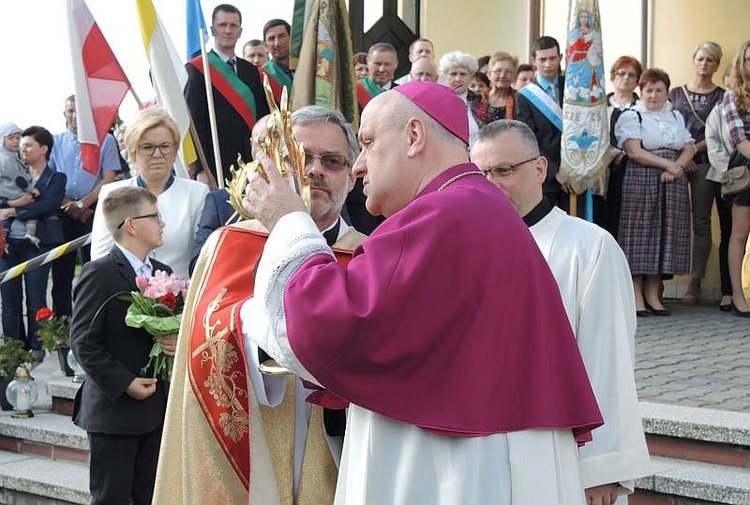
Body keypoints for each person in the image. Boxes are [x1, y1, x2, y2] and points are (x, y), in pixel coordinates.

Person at [241, 80, 603, 503]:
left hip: (454, 468)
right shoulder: (475, 206)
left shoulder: (441, 213)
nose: (358, 166)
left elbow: (327, 326)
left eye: (369, 142)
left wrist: (288, 220)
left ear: (413, 136)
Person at [167, 106, 367, 504]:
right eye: (301, 157)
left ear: (350, 175)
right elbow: (203, 345)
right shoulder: (226, 245)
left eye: (332, 161)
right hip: (249, 441)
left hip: (338, 445)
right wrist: (260, 328)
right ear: (276, 165)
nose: (314, 171)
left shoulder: (369, 253)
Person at [471, 119, 653, 505]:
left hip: (560, 451)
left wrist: (602, 468)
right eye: (480, 174)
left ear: (539, 169)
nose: (490, 184)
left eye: (503, 170)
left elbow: (609, 361)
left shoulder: (588, 247)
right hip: (481, 451)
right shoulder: (466, 248)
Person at [71, 186, 176, 504]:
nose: (163, 223)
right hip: (114, 411)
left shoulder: (165, 274)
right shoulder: (99, 273)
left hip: (155, 409)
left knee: (149, 495)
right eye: (155, 216)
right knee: (111, 497)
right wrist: (125, 382)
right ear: (131, 224)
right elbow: (83, 342)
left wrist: (173, 341)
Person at [90, 108, 208, 280]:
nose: (157, 154)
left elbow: (202, 259)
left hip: (182, 299)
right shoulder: (111, 194)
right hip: (126, 299)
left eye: (165, 146)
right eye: (147, 147)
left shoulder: (197, 193)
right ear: (133, 151)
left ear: (175, 149)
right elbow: (101, 259)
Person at [614, 68, 695, 316]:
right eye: (648, 90)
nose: (653, 95)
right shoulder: (631, 116)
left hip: (672, 181)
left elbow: (689, 146)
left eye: (659, 90)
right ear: (641, 91)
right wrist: (668, 165)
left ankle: (653, 292)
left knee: (664, 236)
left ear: (667, 92)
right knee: (640, 233)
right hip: (642, 177)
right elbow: (635, 152)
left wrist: (677, 167)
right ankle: (636, 293)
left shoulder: (676, 117)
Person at [48, 95, 120, 317]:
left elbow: (108, 177)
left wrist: (84, 203)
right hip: (62, 213)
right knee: (62, 275)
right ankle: (62, 328)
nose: (75, 116)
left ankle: (93, 320)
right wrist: (69, 204)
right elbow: (48, 178)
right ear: (64, 114)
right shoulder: (54, 142)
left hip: (94, 212)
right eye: (70, 111)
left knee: (94, 271)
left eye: (79, 111)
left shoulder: (105, 141)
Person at [0, 126, 65, 364]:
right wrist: (8, 206)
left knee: (37, 299)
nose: (22, 148)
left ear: (44, 149)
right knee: (9, 302)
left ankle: (37, 350)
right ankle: (13, 351)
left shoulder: (57, 178)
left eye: (27, 144)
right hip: (8, 245)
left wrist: (12, 210)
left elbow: (46, 205)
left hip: (39, 244)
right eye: (20, 144)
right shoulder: (10, 171)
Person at [185, 4, 270, 185]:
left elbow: (262, 117)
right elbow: (193, 124)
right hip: (216, 164)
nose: (228, 30)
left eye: (233, 26)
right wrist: (200, 169)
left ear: (240, 31)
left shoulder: (251, 71)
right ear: (212, 30)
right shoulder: (198, 69)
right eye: (223, 25)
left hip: (252, 162)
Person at [668, 42, 725, 306]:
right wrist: (683, 156)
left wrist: (692, 152)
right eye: (700, 58)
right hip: (677, 162)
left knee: (701, 221)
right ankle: (662, 279)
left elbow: (719, 131)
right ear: (693, 61)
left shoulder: (723, 96)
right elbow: (668, 126)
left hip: (705, 163)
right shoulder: (676, 93)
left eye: (710, 60)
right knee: (672, 219)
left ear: (716, 65)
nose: (704, 63)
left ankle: (695, 279)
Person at [516, 36, 570, 210]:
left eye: (552, 58)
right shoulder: (524, 96)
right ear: (533, 61)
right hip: (548, 178)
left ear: (560, 57)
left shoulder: (573, 88)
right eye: (543, 59)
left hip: (578, 175)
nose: (548, 64)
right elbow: (530, 140)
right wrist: (555, 173)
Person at [594, 56, 643, 237]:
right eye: (621, 73)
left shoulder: (643, 107)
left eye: (632, 75)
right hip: (604, 174)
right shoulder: (599, 106)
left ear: (637, 81)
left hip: (635, 171)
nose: (626, 78)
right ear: (613, 77)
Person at [721, 40, 750, 316]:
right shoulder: (733, 96)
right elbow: (738, 138)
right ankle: (739, 298)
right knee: (739, 233)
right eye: (749, 59)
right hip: (745, 168)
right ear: (741, 63)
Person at [705, 66, 735, 311]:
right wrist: (735, 173)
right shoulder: (719, 111)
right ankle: (729, 291)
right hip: (726, 179)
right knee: (730, 234)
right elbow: (713, 145)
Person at [0, 122, 39, 246]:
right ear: (2, 140)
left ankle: (4, 241)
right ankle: (30, 234)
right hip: (14, 194)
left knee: (6, 219)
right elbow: (18, 179)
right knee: (31, 213)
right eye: (11, 138)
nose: (16, 141)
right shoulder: (6, 159)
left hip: (8, 197)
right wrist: (31, 189)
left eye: (18, 138)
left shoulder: (12, 156)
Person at [438, 51, 481, 145]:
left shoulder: (480, 101)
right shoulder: (437, 102)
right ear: (445, 77)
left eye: (463, 74)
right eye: (453, 74)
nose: (458, 79)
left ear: (471, 77)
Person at [356, 42, 398, 110]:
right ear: (368, 62)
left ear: (395, 64)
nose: (381, 69)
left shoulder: (401, 93)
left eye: (387, 64)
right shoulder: (355, 92)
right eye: (377, 64)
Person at [261, 19, 293, 103]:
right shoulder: (263, 75)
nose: (277, 43)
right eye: (271, 38)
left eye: (282, 36)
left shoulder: (307, 67)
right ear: (265, 46)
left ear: (291, 38)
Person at [485, 51, 518, 122]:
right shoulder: (478, 98)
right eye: (498, 71)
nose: (502, 75)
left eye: (508, 72)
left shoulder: (519, 100)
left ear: (514, 76)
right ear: (489, 74)